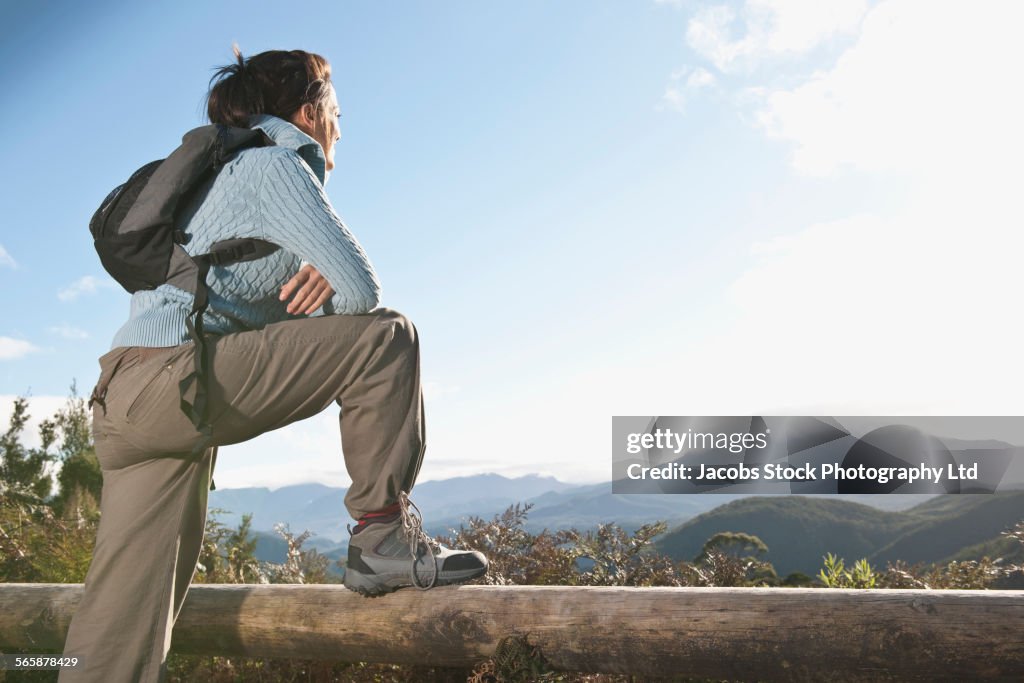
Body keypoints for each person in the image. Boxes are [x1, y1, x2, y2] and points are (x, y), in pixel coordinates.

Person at [59, 47, 487, 683]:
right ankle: (380, 540)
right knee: (387, 337)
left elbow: (296, 318)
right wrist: (327, 279)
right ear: (310, 112)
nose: (342, 124)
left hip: (125, 401)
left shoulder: (218, 181)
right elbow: (362, 297)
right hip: (175, 383)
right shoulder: (272, 166)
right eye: (337, 109)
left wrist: (318, 287)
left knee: (117, 622)